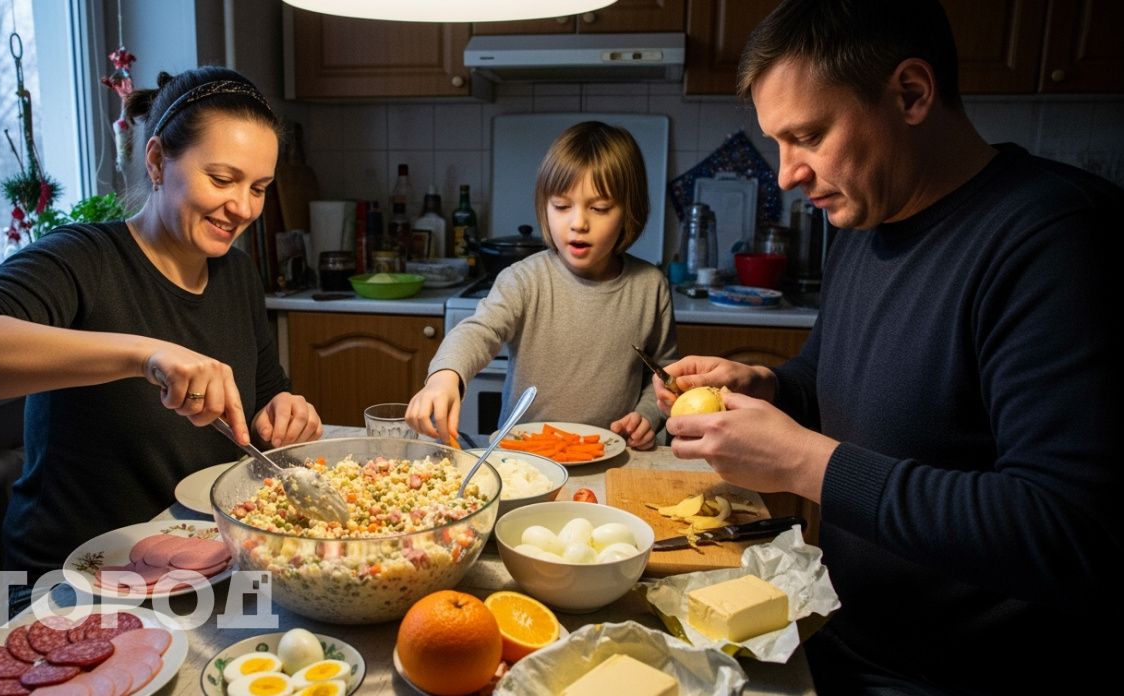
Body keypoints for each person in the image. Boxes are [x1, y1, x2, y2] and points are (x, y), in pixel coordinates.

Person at [654, 1, 1123, 692]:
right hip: (844, 638)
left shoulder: (1056, 241)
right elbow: (839, 382)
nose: (786, 174)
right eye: (778, 142)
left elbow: (1065, 530)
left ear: (910, 94)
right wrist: (769, 385)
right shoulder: (863, 223)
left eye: (808, 135)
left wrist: (805, 464)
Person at [0, 66, 322, 615]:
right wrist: (143, 354)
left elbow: (265, 396)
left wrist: (284, 411)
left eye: (259, 188)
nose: (243, 207)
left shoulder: (236, 274)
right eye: (222, 180)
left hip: (201, 568)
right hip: (76, 585)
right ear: (156, 161)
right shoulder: (83, 258)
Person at [407, 121, 676, 450]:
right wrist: (445, 376)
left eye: (600, 208)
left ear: (628, 212)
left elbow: (663, 373)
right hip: (524, 460)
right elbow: (478, 331)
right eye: (562, 206)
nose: (578, 223)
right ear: (544, 207)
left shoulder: (651, 288)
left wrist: (648, 414)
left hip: (613, 457)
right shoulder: (522, 280)